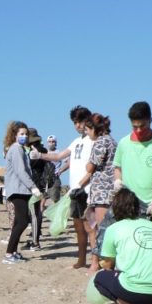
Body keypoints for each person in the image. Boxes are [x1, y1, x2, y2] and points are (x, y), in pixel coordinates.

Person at [35, 106, 94, 267]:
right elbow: (59, 156)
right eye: (75, 122)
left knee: (90, 227)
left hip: (88, 190)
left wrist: (84, 182)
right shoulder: (76, 141)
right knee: (78, 227)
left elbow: (95, 166)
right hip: (74, 191)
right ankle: (82, 259)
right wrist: (40, 155)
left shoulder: (94, 140)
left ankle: (95, 261)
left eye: (80, 121)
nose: (78, 125)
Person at [113, 101, 152, 229]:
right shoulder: (123, 143)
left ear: (150, 120)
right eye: (134, 127)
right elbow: (118, 168)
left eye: (142, 126)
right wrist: (118, 181)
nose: (139, 130)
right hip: (129, 205)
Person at [80, 113, 117, 273]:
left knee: (102, 230)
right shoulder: (112, 141)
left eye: (87, 130)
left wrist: (88, 164)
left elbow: (90, 166)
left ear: (94, 129)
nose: (86, 133)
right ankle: (101, 263)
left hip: (103, 192)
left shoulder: (102, 142)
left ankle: (101, 265)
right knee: (99, 227)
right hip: (107, 190)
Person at [1, 121, 40, 264]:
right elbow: (20, 171)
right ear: (15, 135)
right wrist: (33, 187)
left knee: (18, 221)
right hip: (18, 190)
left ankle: (13, 251)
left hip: (20, 189)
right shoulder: (16, 148)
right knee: (23, 222)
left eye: (26, 134)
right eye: (21, 134)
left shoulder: (20, 149)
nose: (24, 136)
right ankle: (9, 253)